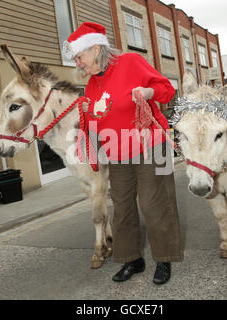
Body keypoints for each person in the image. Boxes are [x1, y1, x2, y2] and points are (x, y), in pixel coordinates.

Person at [63, 22, 183, 285]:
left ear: (95, 49)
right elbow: (97, 119)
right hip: (117, 153)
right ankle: (132, 260)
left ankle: (164, 259)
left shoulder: (130, 62)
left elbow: (167, 90)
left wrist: (149, 91)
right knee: (123, 208)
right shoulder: (93, 84)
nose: (78, 64)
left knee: (155, 204)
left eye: (79, 57)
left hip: (151, 146)